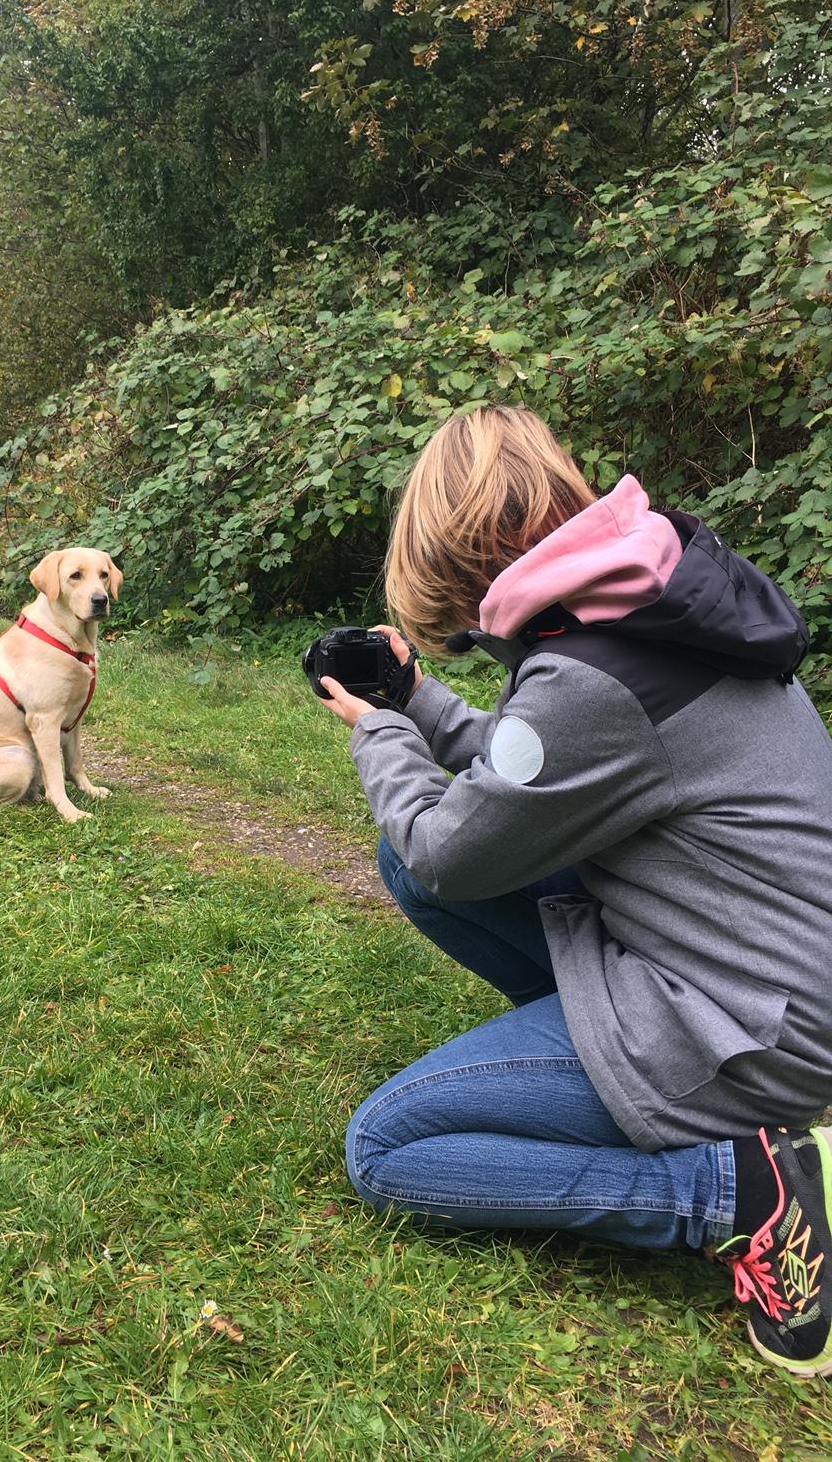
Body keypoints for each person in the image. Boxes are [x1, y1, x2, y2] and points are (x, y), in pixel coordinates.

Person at [316, 405, 832, 1379]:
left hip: (760, 1029)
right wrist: (421, 701)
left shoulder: (590, 677)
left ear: (461, 565)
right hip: (774, 971)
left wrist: (378, 729)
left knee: (387, 1150)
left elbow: (449, 850)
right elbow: (534, 781)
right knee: (407, 860)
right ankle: (609, 1077)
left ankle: (740, 1187)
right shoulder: (645, 597)